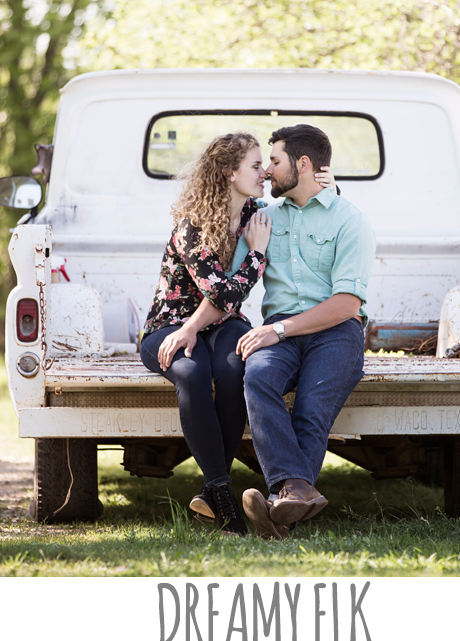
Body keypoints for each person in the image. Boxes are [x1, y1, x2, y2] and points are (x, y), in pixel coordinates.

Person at [139, 131, 335, 536]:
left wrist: (328, 184)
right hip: (172, 326)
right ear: (229, 173)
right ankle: (221, 491)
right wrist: (257, 254)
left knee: (235, 368)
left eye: (266, 164)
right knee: (192, 373)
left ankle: (212, 492)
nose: (264, 172)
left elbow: (298, 202)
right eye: (255, 165)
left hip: (223, 324)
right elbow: (224, 291)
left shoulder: (256, 214)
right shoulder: (191, 227)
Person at [233, 124, 376, 540]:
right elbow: (229, 269)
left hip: (335, 332)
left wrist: (277, 330)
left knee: (311, 409)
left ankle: (279, 504)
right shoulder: (263, 217)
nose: (267, 173)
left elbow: (347, 304)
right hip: (281, 334)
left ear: (303, 164)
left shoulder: (351, 221)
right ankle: (289, 497)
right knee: (257, 377)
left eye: (273, 162)